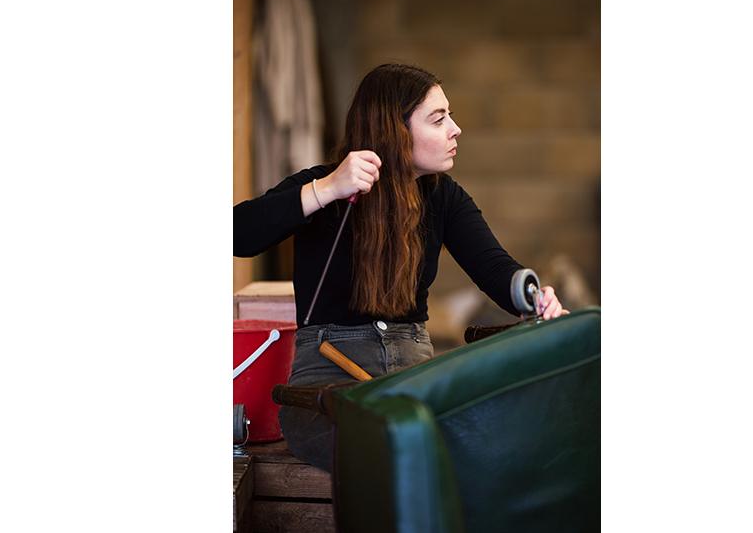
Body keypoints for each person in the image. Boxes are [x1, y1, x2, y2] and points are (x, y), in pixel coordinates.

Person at [234, 63, 569, 472]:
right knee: (391, 446)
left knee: (493, 439)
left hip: (414, 382)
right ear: (395, 130)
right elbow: (238, 234)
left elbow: (495, 268)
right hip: (326, 390)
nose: (455, 129)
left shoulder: (443, 196)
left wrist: (535, 298)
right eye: (438, 119)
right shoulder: (325, 184)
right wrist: (327, 189)